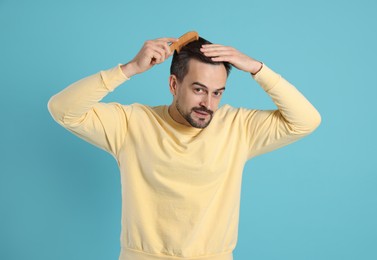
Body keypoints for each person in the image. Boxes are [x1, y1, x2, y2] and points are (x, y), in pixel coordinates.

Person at [48, 35, 321, 260]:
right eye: (199, 90)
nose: (208, 104)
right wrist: (129, 68)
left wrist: (257, 69)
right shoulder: (132, 123)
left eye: (217, 93)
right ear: (173, 84)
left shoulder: (238, 127)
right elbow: (62, 109)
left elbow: (306, 120)